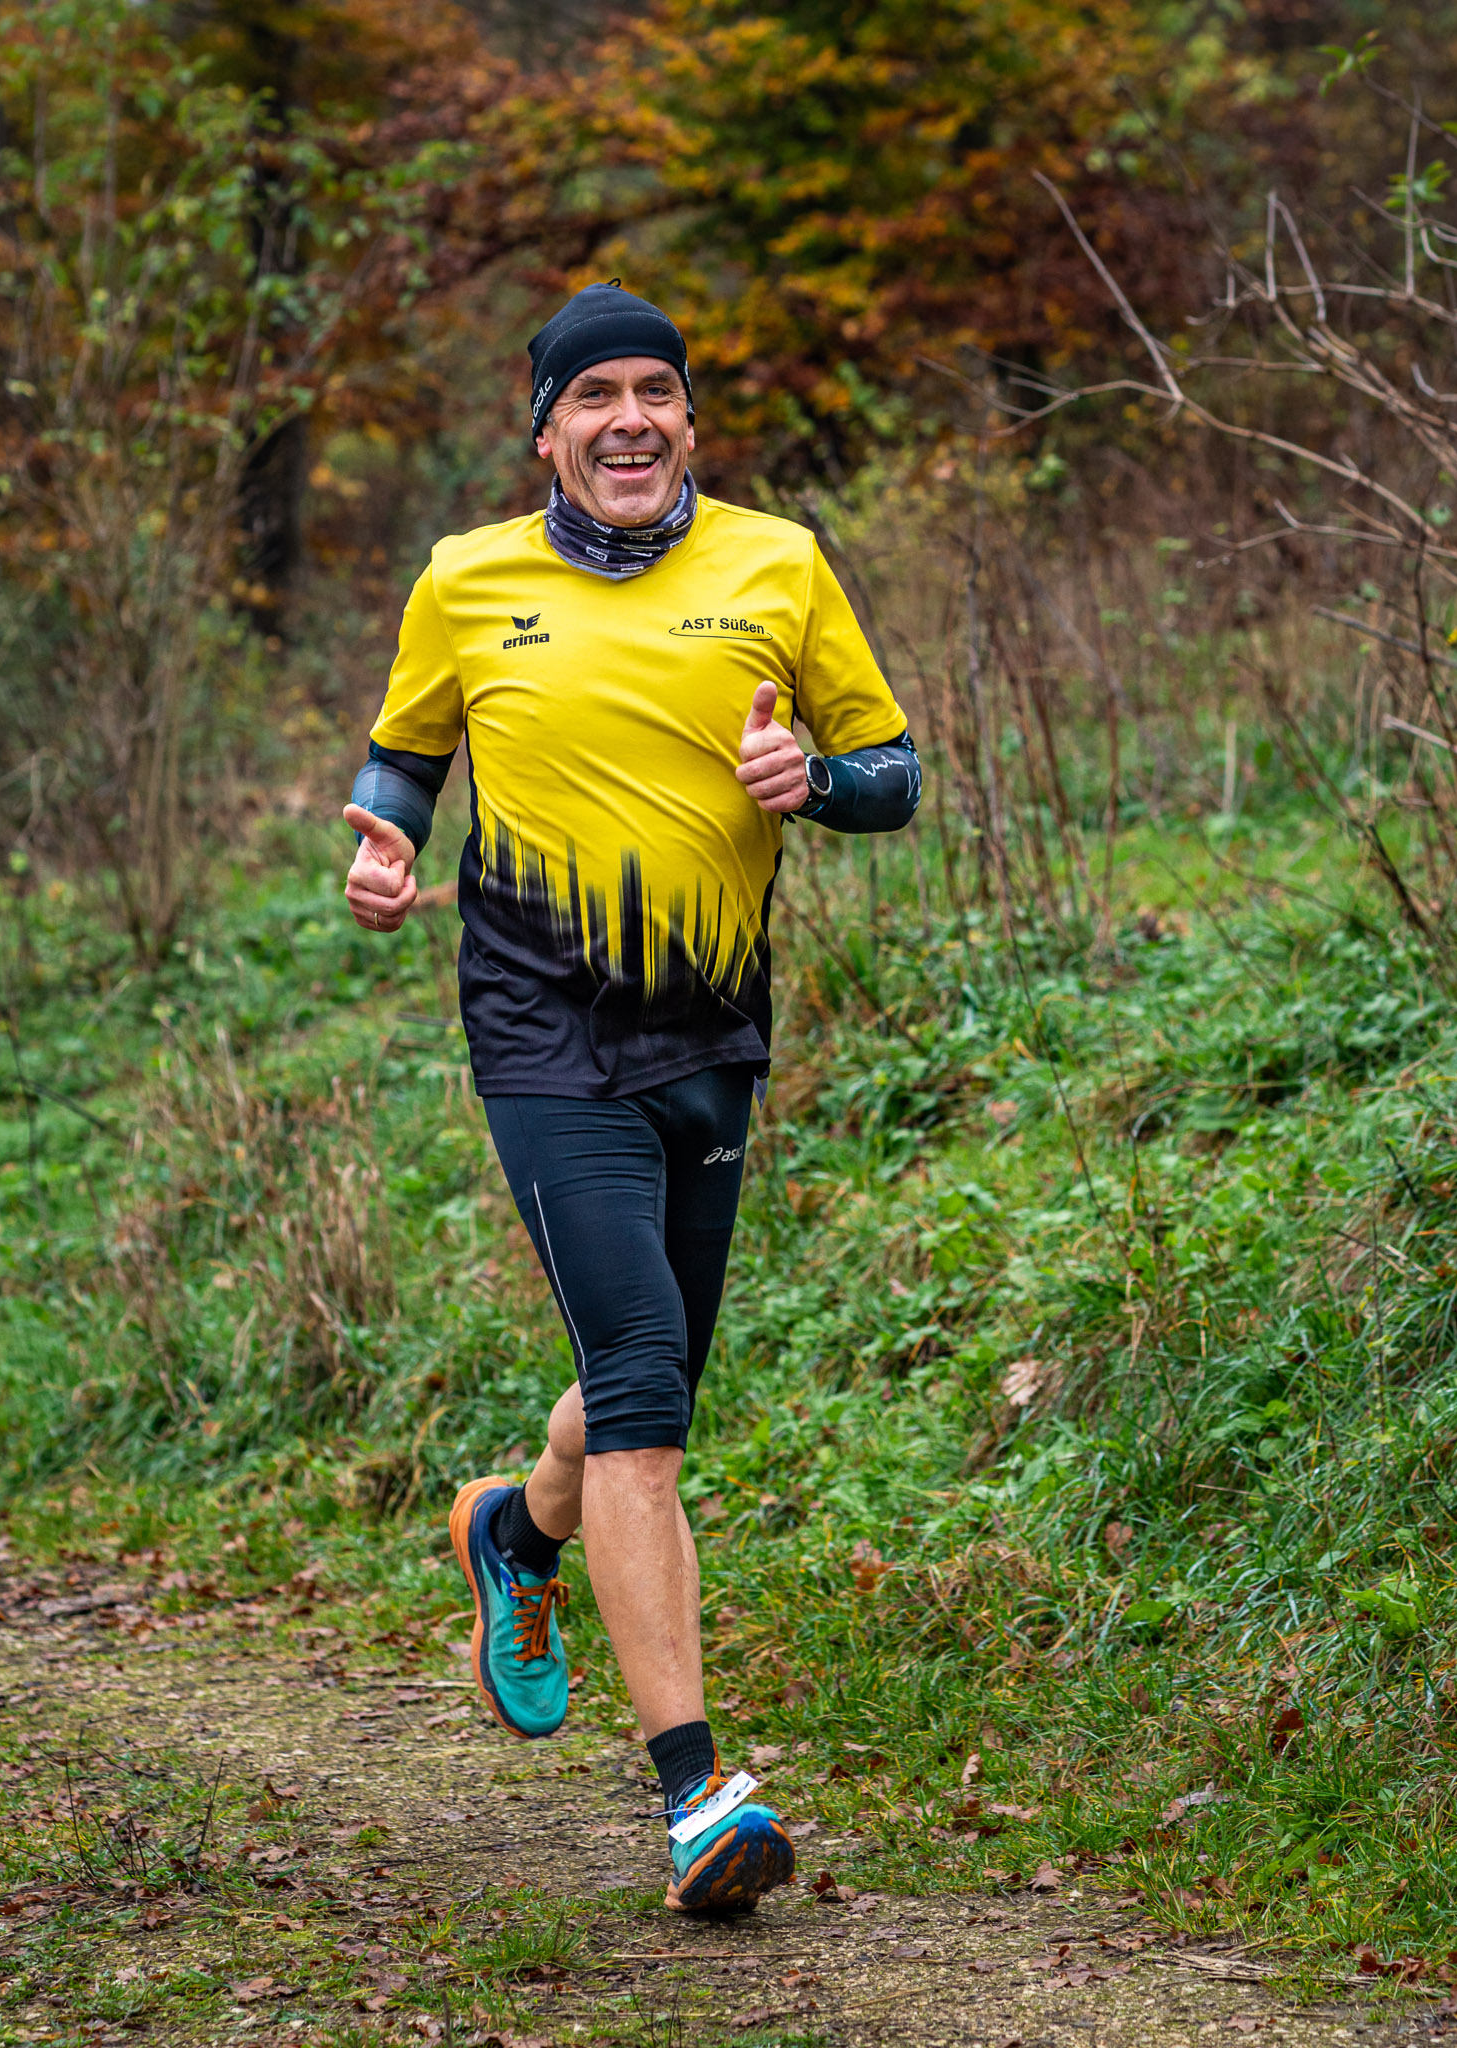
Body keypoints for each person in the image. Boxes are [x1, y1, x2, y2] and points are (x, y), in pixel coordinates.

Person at [341, 281, 921, 1914]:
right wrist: (383, 842)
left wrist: (818, 782)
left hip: (710, 1035)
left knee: (634, 1389)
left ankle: (517, 1537)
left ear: (687, 420)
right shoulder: (467, 578)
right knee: (647, 1383)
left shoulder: (777, 563)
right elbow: (407, 752)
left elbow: (893, 772)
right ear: (546, 432)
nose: (628, 419)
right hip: (542, 1034)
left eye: (654, 391)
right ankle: (695, 1797)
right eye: (593, 396)